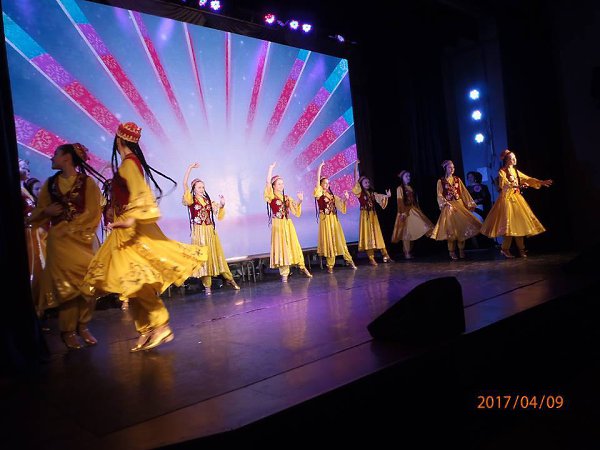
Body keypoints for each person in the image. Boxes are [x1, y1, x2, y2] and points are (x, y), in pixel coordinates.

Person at [84, 122, 207, 352]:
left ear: (119, 140)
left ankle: (160, 324)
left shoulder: (130, 164)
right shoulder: (129, 163)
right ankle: (146, 329)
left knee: (137, 281)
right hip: (123, 231)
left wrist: (131, 218)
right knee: (130, 284)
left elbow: (141, 194)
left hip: (131, 233)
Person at [28, 144, 104, 349]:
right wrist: (47, 212)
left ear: (67, 158)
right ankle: (68, 330)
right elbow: (40, 210)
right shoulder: (50, 184)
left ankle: (83, 325)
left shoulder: (87, 183)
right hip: (59, 243)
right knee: (67, 288)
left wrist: (73, 227)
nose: (52, 158)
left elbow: (93, 211)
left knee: (89, 284)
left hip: (81, 241)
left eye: (55, 154)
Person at [480, 149, 553, 258]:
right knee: (509, 227)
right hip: (507, 200)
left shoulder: (516, 171)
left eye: (515, 157)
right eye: (512, 158)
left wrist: (540, 182)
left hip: (517, 200)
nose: (514, 160)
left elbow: (527, 179)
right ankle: (505, 249)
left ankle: (521, 249)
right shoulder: (502, 171)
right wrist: (517, 185)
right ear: (506, 160)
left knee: (520, 224)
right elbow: (504, 184)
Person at [182, 162, 240, 294]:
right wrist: (189, 168)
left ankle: (230, 279)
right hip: (199, 232)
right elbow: (184, 184)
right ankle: (207, 286)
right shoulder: (191, 199)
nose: (202, 189)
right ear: (194, 188)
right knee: (204, 259)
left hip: (210, 231)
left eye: (203, 187)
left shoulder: (208, 200)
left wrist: (222, 204)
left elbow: (218, 212)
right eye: (199, 187)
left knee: (217, 255)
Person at [265, 162, 312, 283]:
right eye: (279, 184)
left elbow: (295, 209)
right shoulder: (271, 196)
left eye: (282, 183)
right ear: (273, 186)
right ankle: (284, 274)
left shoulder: (286, 197)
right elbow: (267, 183)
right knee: (282, 248)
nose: (281, 185)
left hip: (287, 224)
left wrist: (300, 200)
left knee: (293, 245)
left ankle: (301, 266)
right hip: (278, 225)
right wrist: (270, 169)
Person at [430, 160, 481, 260]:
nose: (452, 169)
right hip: (449, 206)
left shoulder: (457, 179)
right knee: (451, 230)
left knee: (461, 229)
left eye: (453, 167)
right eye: (450, 167)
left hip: (459, 205)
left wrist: (469, 204)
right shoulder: (441, 181)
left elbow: (464, 193)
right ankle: (451, 251)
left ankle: (461, 250)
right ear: (445, 169)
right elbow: (439, 194)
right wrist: (445, 202)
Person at [314, 161, 357, 273]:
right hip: (325, 220)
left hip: (334, 219)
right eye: (325, 183)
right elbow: (317, 182)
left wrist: (345, 198)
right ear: (320, 184)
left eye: (328, 183)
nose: (327, 185)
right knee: (329, 241)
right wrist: (320, 167)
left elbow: (340, 203)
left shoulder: (332, 195)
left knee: (339, 239)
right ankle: (330, 265)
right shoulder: (319, 194)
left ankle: (349, 260)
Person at [20, 162, 48, 320]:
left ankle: (39, 305)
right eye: (22, 167)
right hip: (28, 234)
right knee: (33, 268)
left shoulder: (25, 190)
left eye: (28, 168)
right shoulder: (18, 191)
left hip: (36, 233)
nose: (26, 171)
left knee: (39, 268)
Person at [352, 160, 393, 265]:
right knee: (368, 236)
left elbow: (379, 196)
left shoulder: (371, 193)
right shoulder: (359, 192)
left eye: (368, 182)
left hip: (373, 216)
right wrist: (355, 166)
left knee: (378, 235)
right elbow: (355, 180)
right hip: (365, 216)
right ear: (361, 184)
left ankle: (386, 255)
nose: (367, 184)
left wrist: (387, 196)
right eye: (365, 182)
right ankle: (371, 258)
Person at [391, 170, 434, 259]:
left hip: (413, 210)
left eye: (409, 176)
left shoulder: (410, 188)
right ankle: (407, 252)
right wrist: (403, 213)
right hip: (405, 211)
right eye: (406, 176)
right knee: (406, 232)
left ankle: (409, 251)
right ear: (402, 178)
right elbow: (400, 201)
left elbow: (415, 201)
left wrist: (418, 210)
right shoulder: (400, 188)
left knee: (414, 230)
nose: (408, 178)